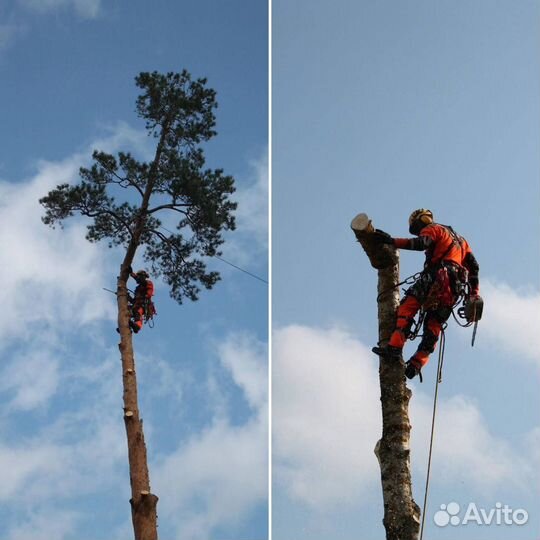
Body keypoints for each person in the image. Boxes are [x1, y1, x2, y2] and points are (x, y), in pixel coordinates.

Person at [371, 209, 480, 380]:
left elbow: (422, 243)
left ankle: (394, 347)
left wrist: (392, 241)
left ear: (422, 220)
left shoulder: (434, 229)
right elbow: (474, 267)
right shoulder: (461, 241)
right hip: (453, 289)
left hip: (435, 276)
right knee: (434, 325)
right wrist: (474, 293)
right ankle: (416, 365)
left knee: (408, 306)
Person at [128, 269, 154, 334]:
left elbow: (149, 293)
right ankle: (125, 326)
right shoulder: (138, 288)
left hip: (143, 304)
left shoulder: (148, 283)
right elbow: (134, 301)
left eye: (139, 277)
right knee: (127, 310)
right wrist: (127, 296)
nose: (138, 278)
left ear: (143, 277)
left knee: (137, 313)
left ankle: (137, 326)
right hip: (136, 304)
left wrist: (132, 274)